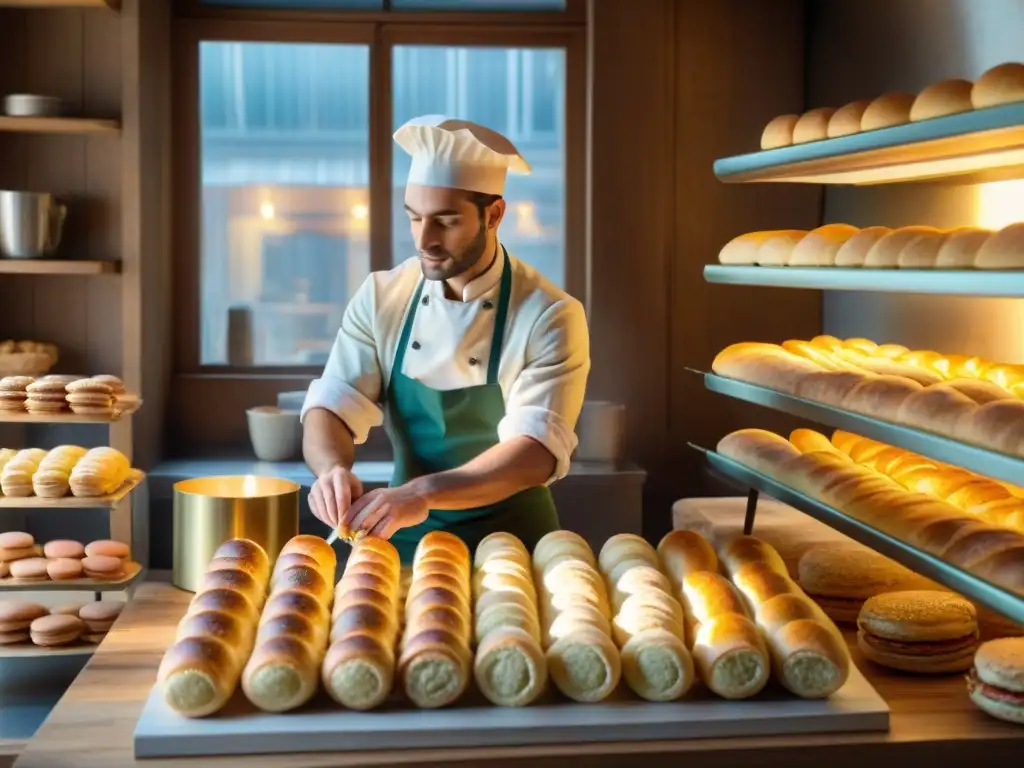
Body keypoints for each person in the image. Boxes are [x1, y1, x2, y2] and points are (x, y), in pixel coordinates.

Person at [301, 114, 590, 564]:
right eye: (415, 218)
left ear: (494, 214)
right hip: (402, 539)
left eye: (446, 221)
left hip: (514, 548)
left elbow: (533, 454)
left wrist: (422, 492)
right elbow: (332, 405)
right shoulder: (382, 297)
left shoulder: (550, 314)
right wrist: (331, 470)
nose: (425, 240)